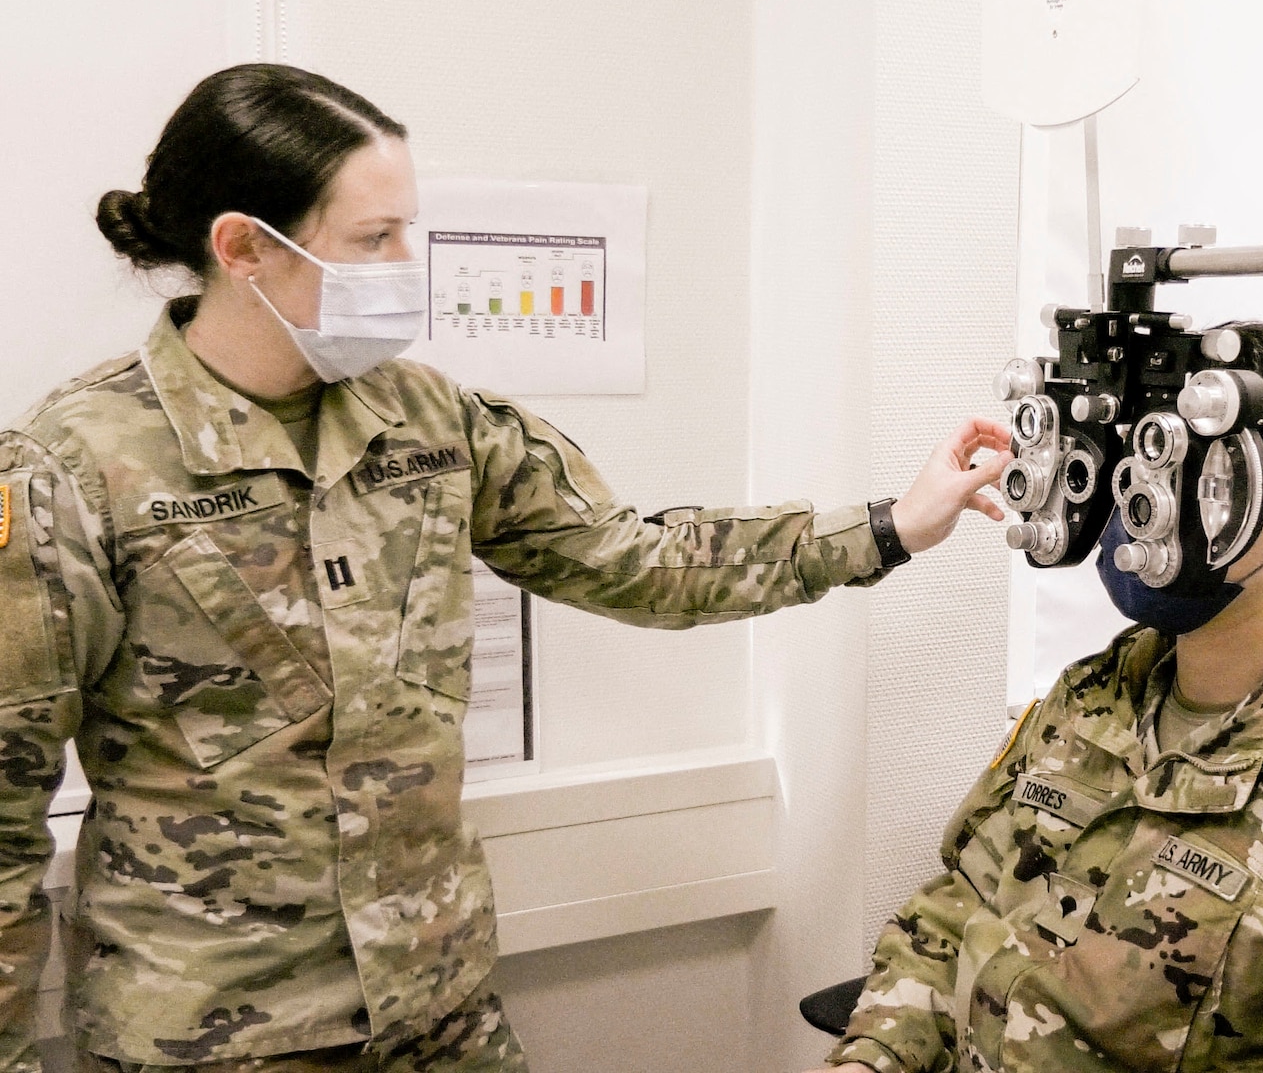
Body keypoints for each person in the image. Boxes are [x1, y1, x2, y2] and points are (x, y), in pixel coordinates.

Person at [0, 64, 1014, 1072]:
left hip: (438, 1011)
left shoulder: (430, 421)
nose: (410, 261)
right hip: (216, 1036)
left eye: (409, 227)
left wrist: (888, 527)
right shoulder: (76, 469)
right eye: (373, 239)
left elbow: (635, 560)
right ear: (242, 248)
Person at [809, 322, 1263, 1072]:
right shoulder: (1090, 701)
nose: (1137, 514)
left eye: (1192, 482)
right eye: (1131, 472)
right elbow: (957, 913)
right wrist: (873, 1057)